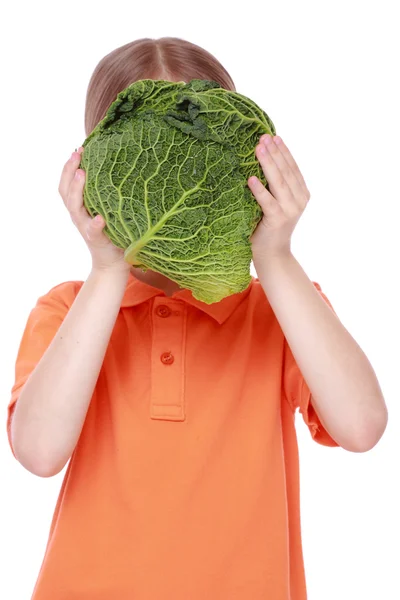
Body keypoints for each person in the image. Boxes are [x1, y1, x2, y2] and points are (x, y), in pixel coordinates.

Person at [7, 37, 387, 600]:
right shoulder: (69, 308)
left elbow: (362, 427)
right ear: (97, 164)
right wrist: (108, 269)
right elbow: (37, 452)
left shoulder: (279, 309)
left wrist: (277, 257)